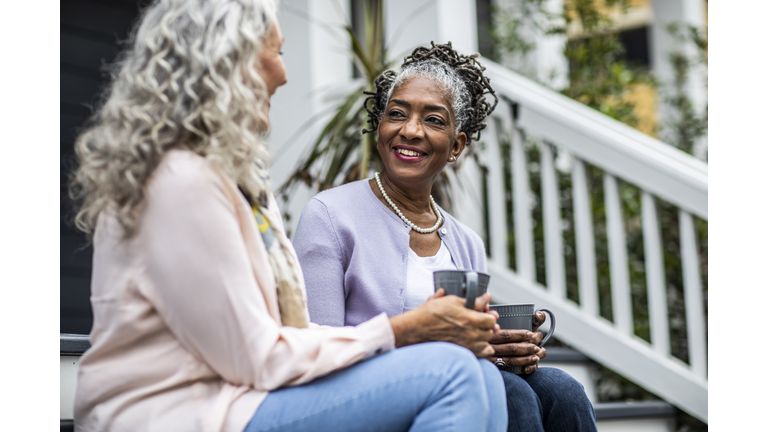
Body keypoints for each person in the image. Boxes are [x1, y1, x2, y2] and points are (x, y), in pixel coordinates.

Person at [69, 2, 508, 431]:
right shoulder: (180, 182)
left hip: (238, 397)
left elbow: (278, 338)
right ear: (229, 61)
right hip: (176, 411)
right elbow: (257, 357)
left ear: (458, 145)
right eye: (276, 52)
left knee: (486, 375)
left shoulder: (235, 179)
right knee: (451, 372)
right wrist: (404, 330)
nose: (283, 73)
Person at [293, 42, 598, 432]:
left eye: (433, 120)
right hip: (365, 393)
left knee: (562, 388)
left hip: (456, 380)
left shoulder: (466, 242)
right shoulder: (330, 216)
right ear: (379, 128)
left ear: (456, 146)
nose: (410, 130)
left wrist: (499, 347)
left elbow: (467, 348)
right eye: (397, 114)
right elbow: (318, 348)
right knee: (510, 393)